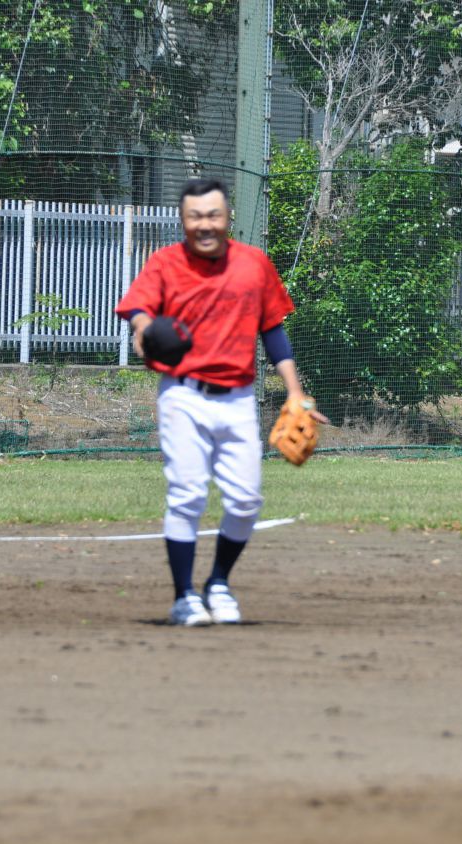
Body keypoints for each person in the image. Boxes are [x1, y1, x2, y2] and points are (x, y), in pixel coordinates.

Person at [115, 177, 326, 626]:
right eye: (195, 216)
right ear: (183, 220)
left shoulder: (253, 264)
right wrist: (143, 329)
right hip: (183, 396)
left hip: (237, 399)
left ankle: (218, 583)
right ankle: (184, 598)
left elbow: (273, 331)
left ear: (228, 217)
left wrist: (295, 392)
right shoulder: (165, 263)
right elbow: (138, 308)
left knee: (247, 500)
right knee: (187, 494)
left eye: (213, 214)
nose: (204, 224)